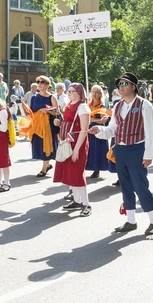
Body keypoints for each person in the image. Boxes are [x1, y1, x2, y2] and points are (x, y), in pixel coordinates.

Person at [89, 72, 153, 235]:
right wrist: (99, 130)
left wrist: (148, 154)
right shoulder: (117, 106)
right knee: (126, 186)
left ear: (133, 87)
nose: (120, 87)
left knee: (140, 185)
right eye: (119, 84)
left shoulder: (144, 105)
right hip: (120, 149)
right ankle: (131, 220)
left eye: (124, 84)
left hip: (137, 150)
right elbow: (112, 129)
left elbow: (151, 131)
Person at [54, 83, 92, 217]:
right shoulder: (69, 105)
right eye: (68, 91)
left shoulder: (83, 107)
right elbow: (70, 126)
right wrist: (60, 124)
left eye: (72, 91)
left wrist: (76, 149)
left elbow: (83, 130)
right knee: (71, 173)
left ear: (80, 93)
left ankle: (86, 204)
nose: (69, 93)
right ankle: (77, 201)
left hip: (78, 144)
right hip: (68, 141)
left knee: (77, 173)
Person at [30, 75, 59, 177]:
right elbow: (31, 111)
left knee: (46, 145)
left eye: (42, 82)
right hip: (38, 125)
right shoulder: (34, 97)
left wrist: (46, 110)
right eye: (38, 82)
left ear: (47, 85)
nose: (39, 84)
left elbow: (57, 112)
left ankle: (44, 167)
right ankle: (47, 164)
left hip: (49, 125)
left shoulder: (51, 97)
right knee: (40, 145)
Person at [86, 85, 111, 179]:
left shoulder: (102, 105)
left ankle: (97, 169)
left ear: (100, 94)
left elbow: (103, 120)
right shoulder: (88, 104)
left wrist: (91, 120)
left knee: (98, 149)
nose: (94, 94)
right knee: (90, 149)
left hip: (98, 129)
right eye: (93, 91)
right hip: (89, 129)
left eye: (97, 92)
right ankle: (91, 167)